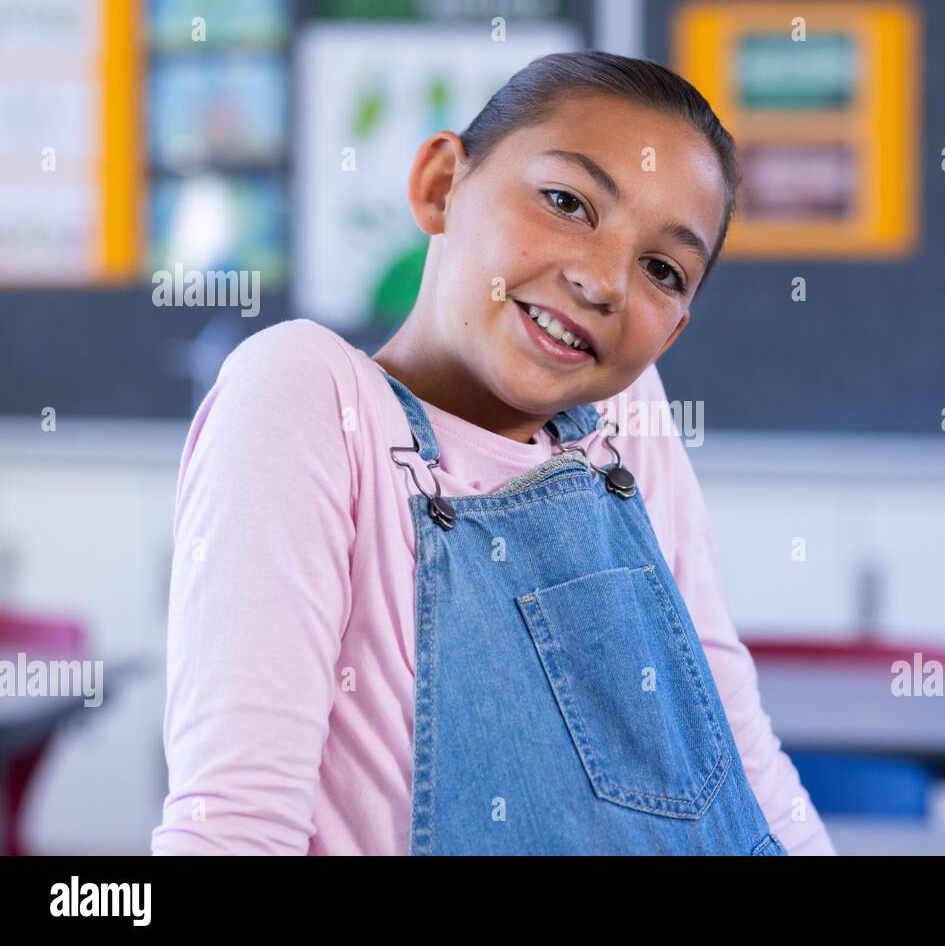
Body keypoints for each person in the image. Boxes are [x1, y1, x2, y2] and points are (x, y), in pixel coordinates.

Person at [151, 50, 836, 855]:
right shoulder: (309, 396)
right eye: (567, 201)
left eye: (662, 268)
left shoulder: (621, 416)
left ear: (673, 331)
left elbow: (735, 746)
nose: (604, 280)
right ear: (442, 185)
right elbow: (233, 828)